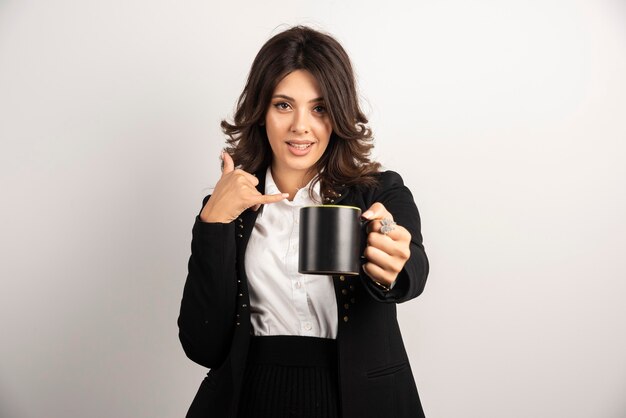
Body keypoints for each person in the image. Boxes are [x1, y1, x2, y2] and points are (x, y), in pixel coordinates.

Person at [178, 26, 429, 418]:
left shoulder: (378, 192)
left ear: (339, 115)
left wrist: (393, 262)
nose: (300, 126)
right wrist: (214, 221)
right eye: (283, 105)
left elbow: (412, 264)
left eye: (319, 108)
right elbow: (202, 345)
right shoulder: (227, 207)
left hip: (361, 402)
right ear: (261, 111)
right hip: (250, 400)